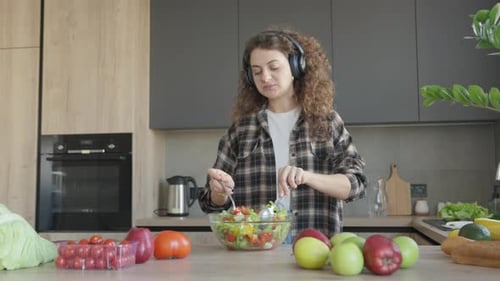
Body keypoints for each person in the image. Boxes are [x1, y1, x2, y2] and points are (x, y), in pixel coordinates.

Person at [198, 28, 367, 240]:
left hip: (315, 248)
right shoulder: (241, 130)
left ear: (297, 67)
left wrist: (307, 177)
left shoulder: (327, 122)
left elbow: (356, 184)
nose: (265, 77)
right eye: (257, 71)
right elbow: (209, 201)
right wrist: (219, 192)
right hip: (256, 251)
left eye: (274, 67)